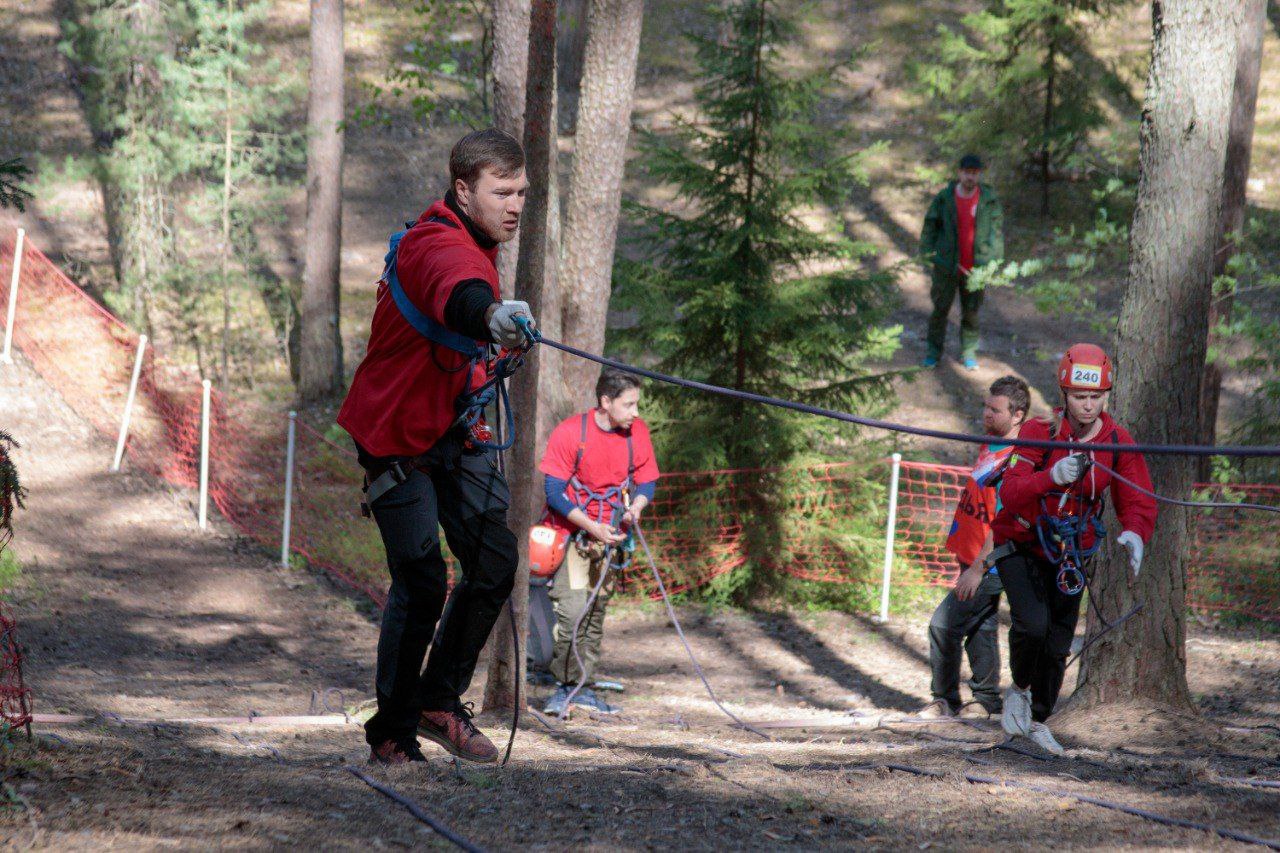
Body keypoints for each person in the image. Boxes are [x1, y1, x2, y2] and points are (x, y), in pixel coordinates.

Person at [336, 128, 537, 765]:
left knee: (495, 561)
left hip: (453, 425)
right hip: (395, 433)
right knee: (423, 581)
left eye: (522, 193)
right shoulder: (435, 243)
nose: (514, 206)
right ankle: (392, 733)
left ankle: (437, 701)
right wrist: (491, 317)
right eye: (501, 192)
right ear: (462, 190)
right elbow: (456, 292)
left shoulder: (481, 240)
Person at [988, 344, 1156, 755]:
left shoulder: (1117, 439)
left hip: (1071, 554)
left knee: (1060, 642)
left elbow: (1138, 496)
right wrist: (1051, 476)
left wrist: (1135, 532)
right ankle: (1019, 690)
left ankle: (1038, 722)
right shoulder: (1037, 433)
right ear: (1064, 394)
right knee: (1032, 623)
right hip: (1022, 542)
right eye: (1080, 397)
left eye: (1096, 397)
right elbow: (1010, 492)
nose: (1088, 405)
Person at [536, 370, 659, 717]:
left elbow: (646, 481)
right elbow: (554, 491)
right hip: (574, 536)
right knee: (574, 611)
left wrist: (635, 507)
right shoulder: (571, 433)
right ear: (605, 402)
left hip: (611, 538)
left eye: (637, 404)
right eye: (629, 404)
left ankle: (584, 687)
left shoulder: (638, 433)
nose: (636, 412)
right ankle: (563, 686)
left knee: (595, 612)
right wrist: (591, 526)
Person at [919, 375, 1031, 719]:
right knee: (980, 627)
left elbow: (1003, 520)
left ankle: (944, 700)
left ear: (1018, 415)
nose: (986, 414)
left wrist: (977, 568)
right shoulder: (990, 444)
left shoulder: (1015, 458)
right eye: (986, 406)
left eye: (994, 410)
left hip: (989, 563)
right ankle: (985, 700)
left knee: (943, 625)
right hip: (970, 558)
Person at [919, 154, 1004, 370]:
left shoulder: (988, 200)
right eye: (967, 172)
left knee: (971, 312)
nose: (970, 177)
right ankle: (933, 353)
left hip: (976, 268)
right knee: (940, 310)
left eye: (974, 173)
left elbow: (996, 233)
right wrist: (927, 253)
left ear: (979, 175)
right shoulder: (945, 198)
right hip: (946, 266)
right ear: (959, 173)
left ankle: (968, 353)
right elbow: (930, 225)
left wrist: (993, 262)